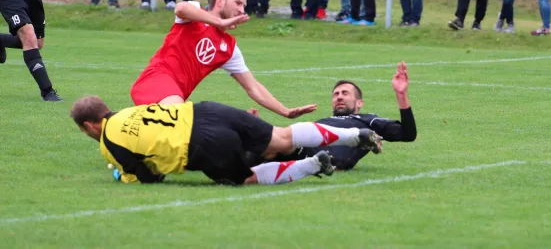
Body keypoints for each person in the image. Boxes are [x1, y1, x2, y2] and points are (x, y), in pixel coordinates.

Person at [70, 96, 383, 185]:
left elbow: (147, 177)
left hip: (201, 143)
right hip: (206, 110)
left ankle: (312, 165)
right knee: (282, 136)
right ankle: (355, 135)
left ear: (88, 126)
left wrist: (124, 174)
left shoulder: (108, 142)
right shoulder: (130, 111)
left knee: (244, 178)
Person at [130, 0, 317, 119]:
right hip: (155, 81)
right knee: (183, 121)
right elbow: (180, 8)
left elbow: (253, 87)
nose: (242, 10)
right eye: (238, 3)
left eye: (244, 5)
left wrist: (285, 111)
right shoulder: (195, 13)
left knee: (188, 133)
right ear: (220, 1)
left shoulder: (229, 48)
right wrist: (219, 22)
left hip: (175, 97)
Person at [253, 62, 416, 171]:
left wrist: (401, 95)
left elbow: (407, 134)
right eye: (336, 94)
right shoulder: (323, 122)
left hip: (326, 154)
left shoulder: (367, 121)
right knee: (260, 146)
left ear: (359, 103)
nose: (339, 97)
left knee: (277, 143)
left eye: (345, 93)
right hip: (302, 148)